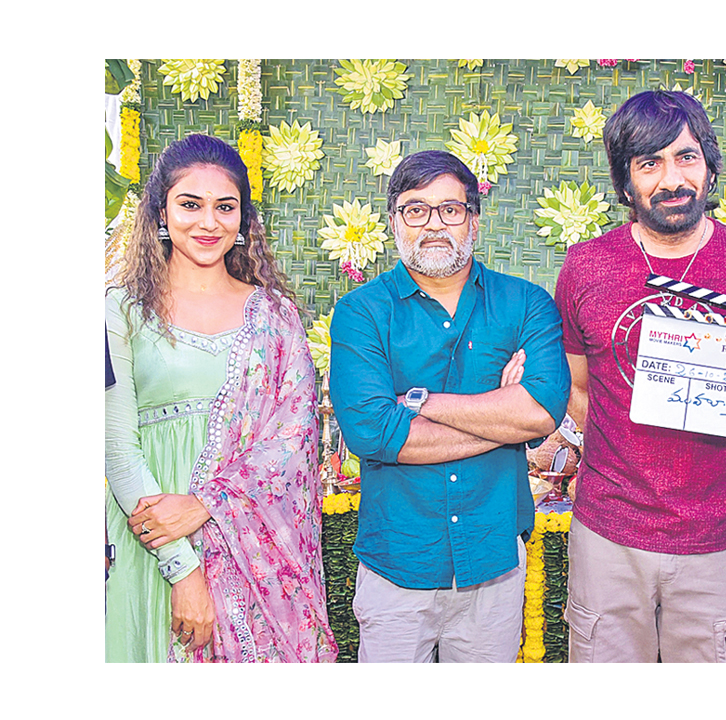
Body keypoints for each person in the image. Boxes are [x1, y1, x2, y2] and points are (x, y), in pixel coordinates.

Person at [555, 90, 726, 662]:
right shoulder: (586, 265)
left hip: (721, 534)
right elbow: (576, 386)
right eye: (649, 163)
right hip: (610, 530)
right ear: (625, 183)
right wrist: (636, 430)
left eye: (686, 157)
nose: (672, 179)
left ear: (710, 166)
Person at [329, 150, 569, 663]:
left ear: (474, 221)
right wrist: (502, 419)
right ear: (394, 221)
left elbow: (542, 412)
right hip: (397, 563)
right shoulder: (361, 312)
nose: (434, 224)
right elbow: (373, 433)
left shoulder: (525, 304)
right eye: (416, 210)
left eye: (450, 210)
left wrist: (420, 403)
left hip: (493, 560)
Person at [106, 133, 337, 662]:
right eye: (190, 205)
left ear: (243, 219)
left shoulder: (275, 316)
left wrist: (207, 504)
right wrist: (182, 570)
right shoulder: (119, 310)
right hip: (150, 540)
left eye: (225, 207)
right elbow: (117, 448)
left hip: (249, 553)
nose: (208, 222)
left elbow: (295, 442)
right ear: (160, 211)